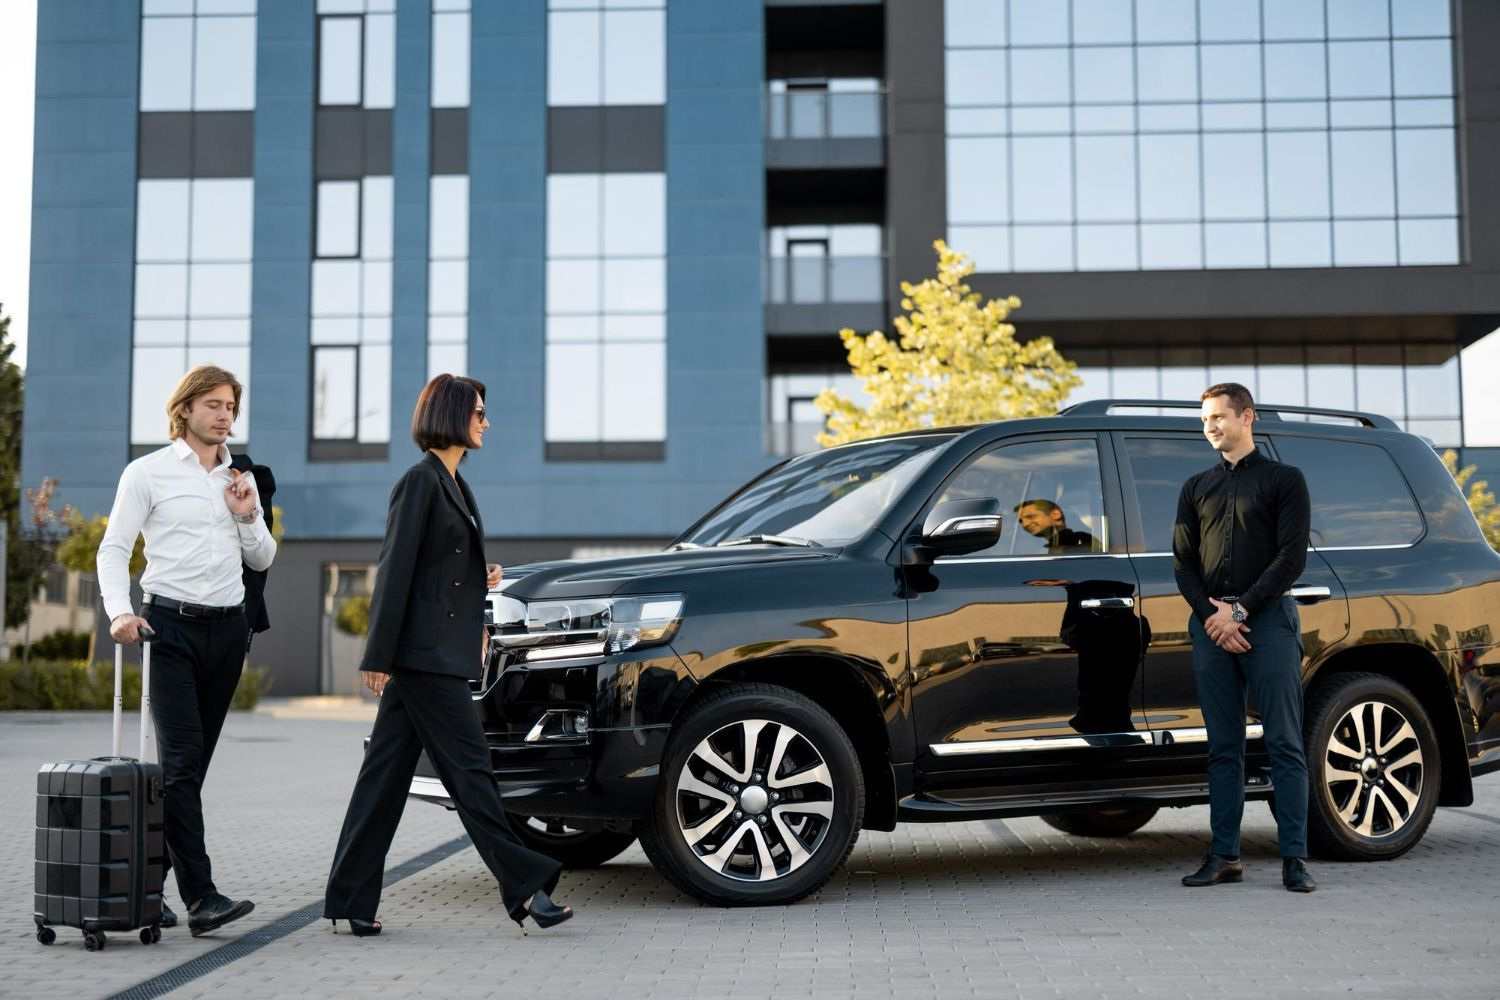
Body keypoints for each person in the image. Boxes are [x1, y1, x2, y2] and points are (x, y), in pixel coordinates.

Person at [323, 374, 572, 937]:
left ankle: (349, 899)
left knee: (382, 779)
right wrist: (377, 654)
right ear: (453, 416)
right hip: (422, 658)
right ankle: (527, 887)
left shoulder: (453, 484)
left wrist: (473, 577)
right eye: (479, 413)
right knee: (471, 773)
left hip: (434, 654)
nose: (486, 422)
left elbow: (436, 571)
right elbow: (395, 573)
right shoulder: (419, 482)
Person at [98, 364, 275, 935]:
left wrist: (247, 513)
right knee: (179, 763)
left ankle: (147, 890)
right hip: (166, 629)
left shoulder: (240, 479)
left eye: (230, 407)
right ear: (186, 410)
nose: (225, 416)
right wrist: (120, 612)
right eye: (214, 405)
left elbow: (263, 560)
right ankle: (203, 899)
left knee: (189, 771)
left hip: (227, 633)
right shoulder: (146, 473)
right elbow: (114, 548)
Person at [1173, 383, 1316, 893]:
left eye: (1218, 417)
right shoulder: (1195, 487)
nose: (1210, 426)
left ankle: (1295, 859)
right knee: (1223, 746)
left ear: (1247, 417)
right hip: (1210, 624)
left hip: (1269, 620)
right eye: (1205, 419)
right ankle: (1224, 856)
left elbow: (1290, 559)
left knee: (1284, 742)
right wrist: (1213, 616)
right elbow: (1183, 563)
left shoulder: (1284, 480)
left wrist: (1240, 609)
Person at [1015, 498, 1096, 552]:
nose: (1025, 525)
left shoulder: (1084, 541)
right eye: (1021, 521)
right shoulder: (1041, 550)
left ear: (1055, 514)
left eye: (1031, 516)